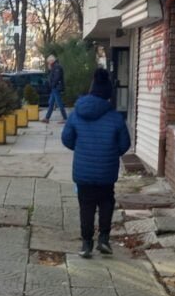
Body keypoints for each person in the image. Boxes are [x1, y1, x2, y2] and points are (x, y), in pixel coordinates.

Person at [61, 68, 131, 258]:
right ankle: (104, 239)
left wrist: (82, 149)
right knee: (106, 202)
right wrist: (110, 153)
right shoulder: (115, 117)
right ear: (108, 93)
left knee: (86, 205)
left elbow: (66, 139)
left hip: (83, 171)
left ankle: (86, 244)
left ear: (91, 89)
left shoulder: (77, 113)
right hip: (107, 171)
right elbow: (125, 144)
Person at [43, 54, 67, 123]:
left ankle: (65, 118)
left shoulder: (57, 67)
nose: (48, 63)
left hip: (56, 87)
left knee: (59, 103)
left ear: (51, 61)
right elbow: (52, 77)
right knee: (51, 103)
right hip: (54, 87)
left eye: (48, 62)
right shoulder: (54, 67)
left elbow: (57, 78)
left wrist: (52, 85)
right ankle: (47, 118)